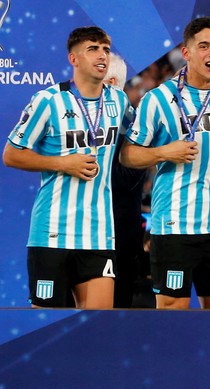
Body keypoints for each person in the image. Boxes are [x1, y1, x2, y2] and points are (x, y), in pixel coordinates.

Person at [4, 26, 128, 308]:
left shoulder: (118, 101)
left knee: (97, 325)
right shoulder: (48, 100)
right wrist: (63, 163)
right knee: (48, 323)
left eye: (106, 50)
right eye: (92, 49)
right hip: (51, 234)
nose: (102, 55)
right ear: (73, 59)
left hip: (98, 235)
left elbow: (138, 141)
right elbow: (11, 155)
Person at [122, 17, 210, 309]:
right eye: (204, 46)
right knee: (172, 312)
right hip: (174, 225)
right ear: (186, 53)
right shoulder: (158, 99)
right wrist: (164, 152)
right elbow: (128, 154)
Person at [103, 53, 151, 308]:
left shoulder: (134, 127)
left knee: (112, 314)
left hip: (117, 236)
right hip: (80, 236)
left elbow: (126, 181)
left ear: (111, 83)